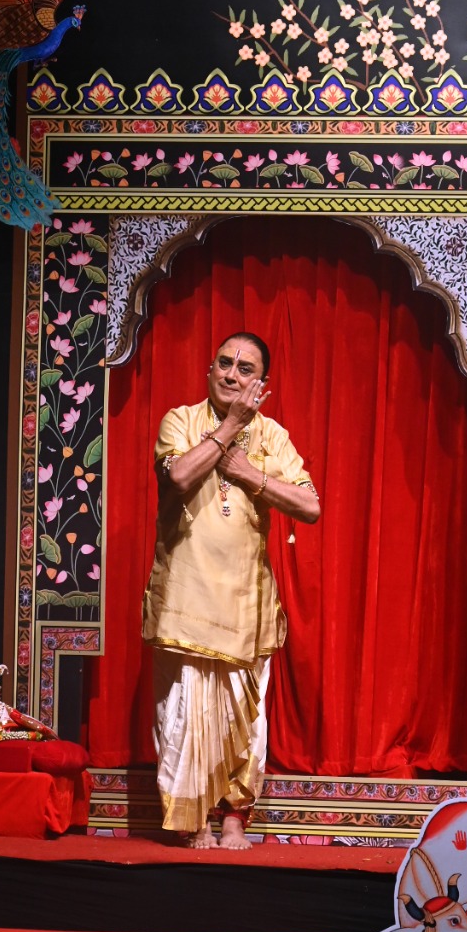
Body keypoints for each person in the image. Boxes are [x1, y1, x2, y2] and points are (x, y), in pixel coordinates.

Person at [142, 332, 320, 849]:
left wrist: (248, 474)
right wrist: (229, 430)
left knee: (244, 717)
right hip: (185, 598)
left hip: (246, 603)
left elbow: (310, 506)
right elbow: (179, 476)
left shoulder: (273, 437)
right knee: (184, 714)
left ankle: (234, 817)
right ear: (209, 369)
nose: (232, 374)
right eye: (225, 363)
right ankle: (194, 820)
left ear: (261, 384)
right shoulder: (181, 421)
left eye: (246, 369)